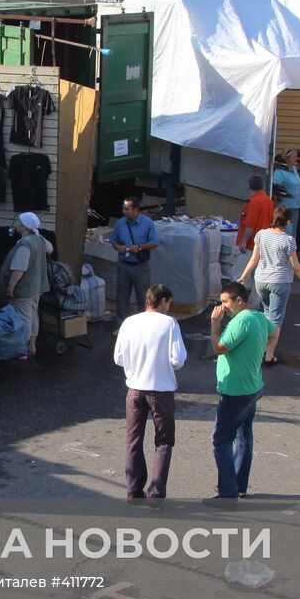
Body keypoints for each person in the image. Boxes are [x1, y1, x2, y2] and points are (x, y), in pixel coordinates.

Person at [113, 284, 187, 501]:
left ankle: (133, 491)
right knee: (163, 442)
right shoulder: (169, 324)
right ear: (163, 301)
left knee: (133, 440)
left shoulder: (129, 322)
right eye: (168, 303)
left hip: (134, 389)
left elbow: (118, 358)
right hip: (161, 391)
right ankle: (156, 494)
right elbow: (178, 360)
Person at [207, 282, 274, 504]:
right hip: (252, 386)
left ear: (238, 300)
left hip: (235, 390)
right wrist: (267, 354)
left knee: (221, 440)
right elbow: (276, 331)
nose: (222, 306)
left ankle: (227, 493)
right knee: (243, 436)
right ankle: (239, 485)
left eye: (225, 301)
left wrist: (215, 324)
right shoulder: (257, 316)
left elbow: (219, 348)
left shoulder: (242, 320)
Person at [238, 206, 300, 365]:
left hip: (261, 281)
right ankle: (269, 355)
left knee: (266, 313)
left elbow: (253, 259)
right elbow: (296, 266)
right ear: (287, 221)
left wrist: (244, 277)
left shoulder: (261, 235)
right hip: (280, 281)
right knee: (276, 319)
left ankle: (261, 348)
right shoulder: (288, 240)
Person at [4, 211, 52, 360]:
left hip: (26, 288)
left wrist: (11, 286)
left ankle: (22, 349)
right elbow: (50, 249)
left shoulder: (25, 244)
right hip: (38, 286)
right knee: (32, 315)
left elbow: (20, 268)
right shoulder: (38, 239)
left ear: (24, 226)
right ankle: (32, 345)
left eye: (19, 221)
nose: (16, 223)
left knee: (24, 318)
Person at [109, 197, 161, 324]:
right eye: (123, 208)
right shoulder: (120, 223)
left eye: (127, 209)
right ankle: (121, 324)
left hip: (140, 266)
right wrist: (118, 247)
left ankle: (143, 325)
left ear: (136, 210)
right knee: (122, 297)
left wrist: (140, 247)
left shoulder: (147, 223)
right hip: (124, 265)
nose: (124, 211)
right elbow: (113, 240)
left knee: (143, 297)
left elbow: (155, 242)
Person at [236, 176, 274, 252]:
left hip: (251, 245)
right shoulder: (269, 201)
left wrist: (243, 242)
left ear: (249, 187)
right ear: (262, 186)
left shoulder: (254, 202)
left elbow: (250, 226)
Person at [271, 153, 300, 238]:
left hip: (295, 205)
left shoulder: (293, 169)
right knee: (286, 231)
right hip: (285, 207)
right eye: (293, 157)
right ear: (286, 159)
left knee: (293, 232)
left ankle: (291, 250)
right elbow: (273, 188)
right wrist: (280, 196)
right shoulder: (279, 172)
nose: (296, 159)